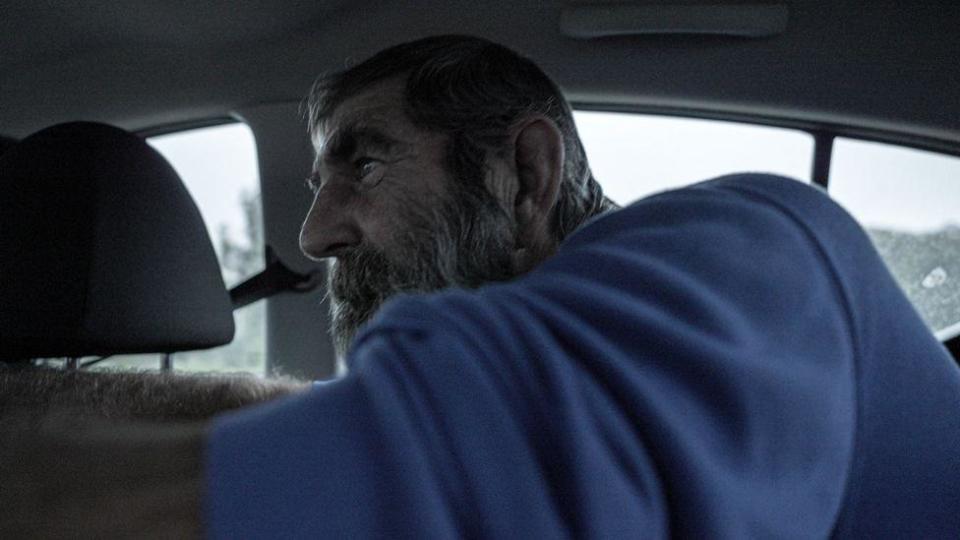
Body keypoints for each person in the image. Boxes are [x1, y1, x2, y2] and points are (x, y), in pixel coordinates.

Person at [4, 35, 960, 538]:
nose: (313, 232)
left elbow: (424, 470)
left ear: (526, 177)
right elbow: (369, 431)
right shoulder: (573, 419)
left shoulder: (753, 251)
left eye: (365, 166)